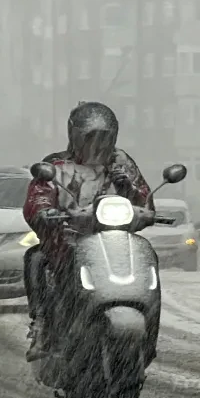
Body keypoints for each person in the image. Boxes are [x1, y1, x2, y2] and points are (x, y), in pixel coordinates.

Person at [22, 101, 153, 360]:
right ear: (76, 136)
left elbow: (145, 201)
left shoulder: (122, 163)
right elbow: (39, 196)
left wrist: (128, 188)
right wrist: (45, 212)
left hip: (117, 242)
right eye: (91, 138)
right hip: (69, 242)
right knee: (36, 259)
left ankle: (148, 321)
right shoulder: (56, 165)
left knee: (148, 256)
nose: (97, 145)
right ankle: (42, 325)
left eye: (104, 138)